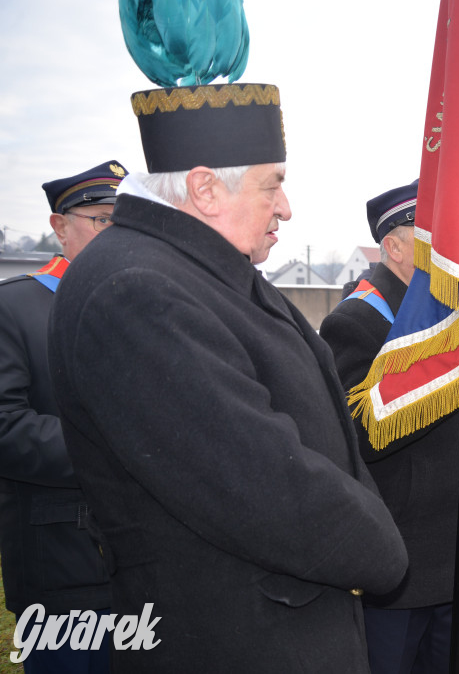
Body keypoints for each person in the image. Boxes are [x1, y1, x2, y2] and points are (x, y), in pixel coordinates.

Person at [47, 82, 407, 671]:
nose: (285, 207)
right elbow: (264, 485)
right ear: (205, 189)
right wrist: (380, 548)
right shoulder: (136, 289)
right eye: (272, 184)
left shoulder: (202, 269)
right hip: (234, 640)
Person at [319, 181, 459, 672]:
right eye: (435, 239)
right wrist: (440, 381)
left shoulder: (455, 315)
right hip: (408, 550)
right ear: (395, 246)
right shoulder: (356, 320)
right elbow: (357, 435)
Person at [0, 161, 125, 673]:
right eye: (103, 219)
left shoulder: (140, 304)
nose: (117, 234)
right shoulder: (15, 306)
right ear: (60, 226)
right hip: (61, 562)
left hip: (145, 558)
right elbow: (6, 427)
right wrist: (120, 449)